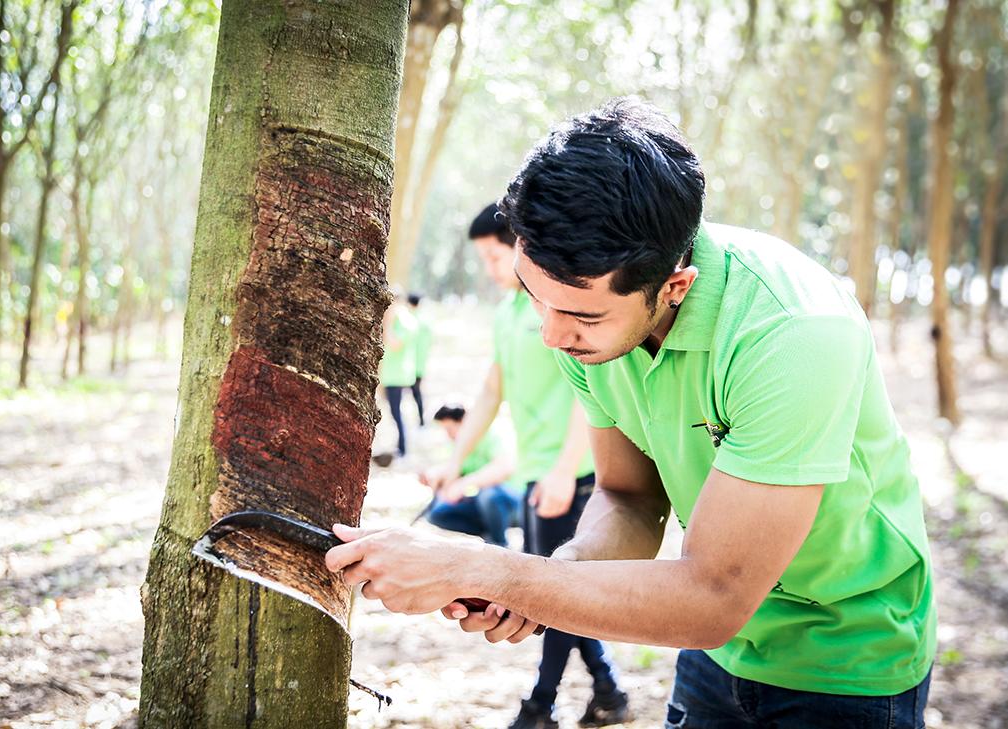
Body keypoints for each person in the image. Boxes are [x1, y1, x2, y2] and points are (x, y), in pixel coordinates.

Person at [328, 98, 935, 729]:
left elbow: (713, 596)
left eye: (582, 317)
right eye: (539, 299)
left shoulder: (792, 334)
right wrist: (554, 576)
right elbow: (629, 498)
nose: (552, 337)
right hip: (718, 655)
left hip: (847, 659)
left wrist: (491, 569)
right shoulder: (581, 325)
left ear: (675, 287)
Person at [418, 203, 630, 729]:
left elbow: (592, 393)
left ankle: (541, 705)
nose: (490, 270)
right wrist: (455, 461)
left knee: (553, 596)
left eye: (494, 256)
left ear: (522, 246)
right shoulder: (510, 314)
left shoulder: (559, 308)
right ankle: (607, 690)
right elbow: (492, 389)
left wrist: (565, 471)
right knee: (559, 595)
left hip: (574, 476)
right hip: (538, 474)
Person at [422, 404, 520, 547]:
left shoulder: (492, 435)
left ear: (464, 423)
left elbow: (504, 468)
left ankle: (500, 543)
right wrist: (437, 476)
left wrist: (463, 484)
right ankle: (488, 535)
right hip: (481, 502)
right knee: (437, 513)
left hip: (514, 500)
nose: (448, 435)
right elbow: (453, 470)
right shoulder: (457, 444)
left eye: (449, 429)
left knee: (489, 494)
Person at [378, 294, 419, 457]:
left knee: (397, 412)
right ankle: (401, 446)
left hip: (397, 375)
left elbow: (393, 344)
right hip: (390, 374)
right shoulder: (401, 320)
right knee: (394, 412)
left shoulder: (406, 322)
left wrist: (388, 320)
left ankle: (403, 449)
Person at [408, 292, 432, 427]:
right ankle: (421, 419)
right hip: (421, 363)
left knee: (415, 392)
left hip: (410, 364)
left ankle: (421, 420)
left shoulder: (411, 320)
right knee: (417, 392)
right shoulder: (426, 321)